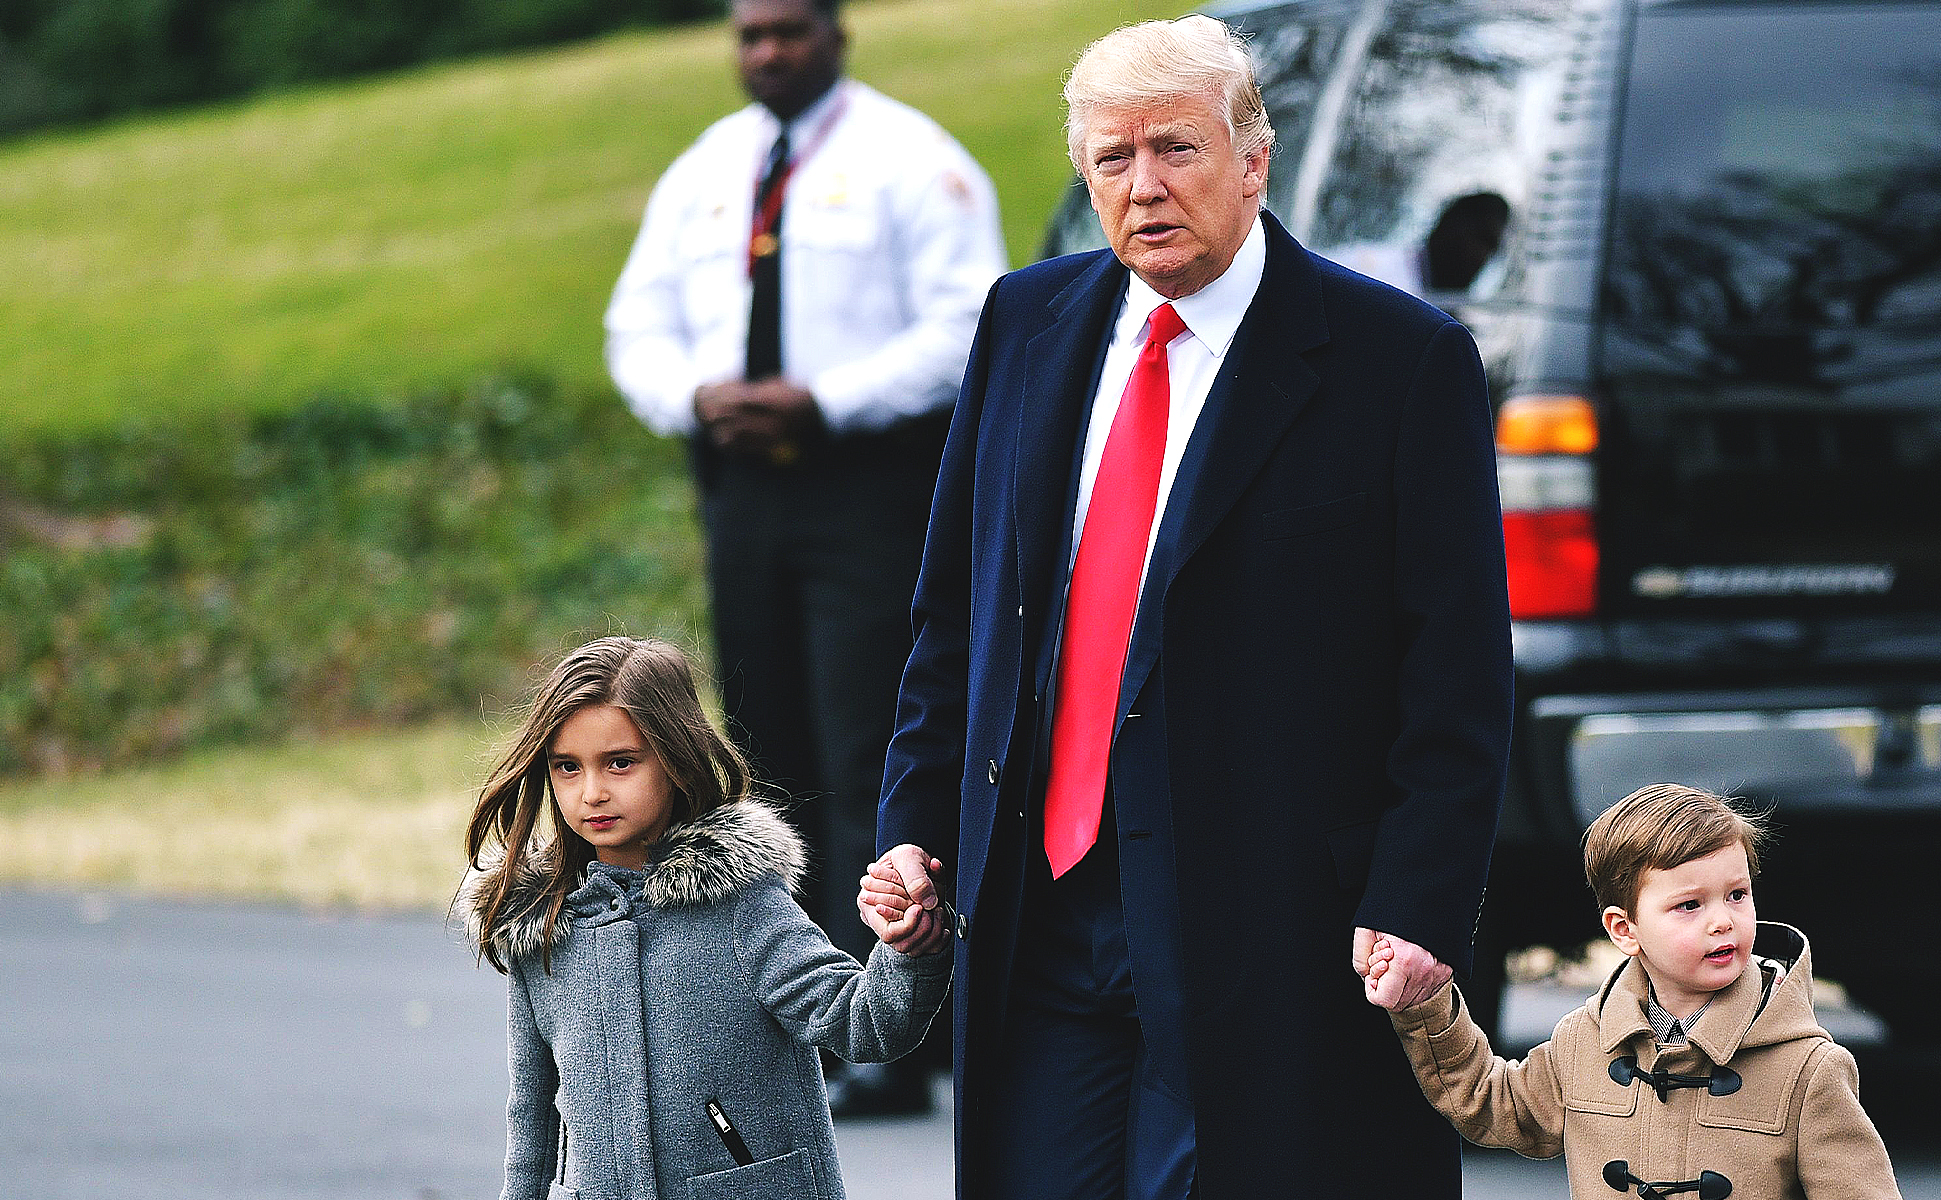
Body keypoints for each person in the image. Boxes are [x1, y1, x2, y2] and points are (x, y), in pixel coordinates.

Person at [861, 15, 1514, 1199]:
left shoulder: (1398, 362)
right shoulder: (1025, 324)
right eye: (1112, 161)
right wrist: (918, 825)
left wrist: (1419, 906)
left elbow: (1457, 675)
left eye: (1175, 149)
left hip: (1274, 930)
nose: (1144, 187)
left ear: (1252, 160)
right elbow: (958, 619)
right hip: (1040, 911)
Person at [602, 0, 1004, 1115]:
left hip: (866, 488)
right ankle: (814, 1019)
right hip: (743, 494)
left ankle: (900, 1029)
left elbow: (971, 320)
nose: (766, 51)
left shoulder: (911, 161)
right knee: (765, 750)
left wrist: (822, 401)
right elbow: (635, 322)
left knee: (869, 749)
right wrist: (694, 396)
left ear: (836, 33)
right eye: (749, 34)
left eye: (787, 30)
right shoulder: (707, 171)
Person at [458, 636, 953, 1200]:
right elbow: (532, 1112)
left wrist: (908, 951)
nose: (592, 792)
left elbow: (863, 1026)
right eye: (567, 768)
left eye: (620, 763)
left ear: (675, 757)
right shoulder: (539, 927)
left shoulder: (742, 905)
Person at [1366, 784, 1902, 1200]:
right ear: (1624, 929)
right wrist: (1427, 1004)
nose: (1724, 921)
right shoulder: (1585, 1042)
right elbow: (1492, 1103)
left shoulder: (1809, 1068)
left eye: (1737, 895)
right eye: (1690, 905)